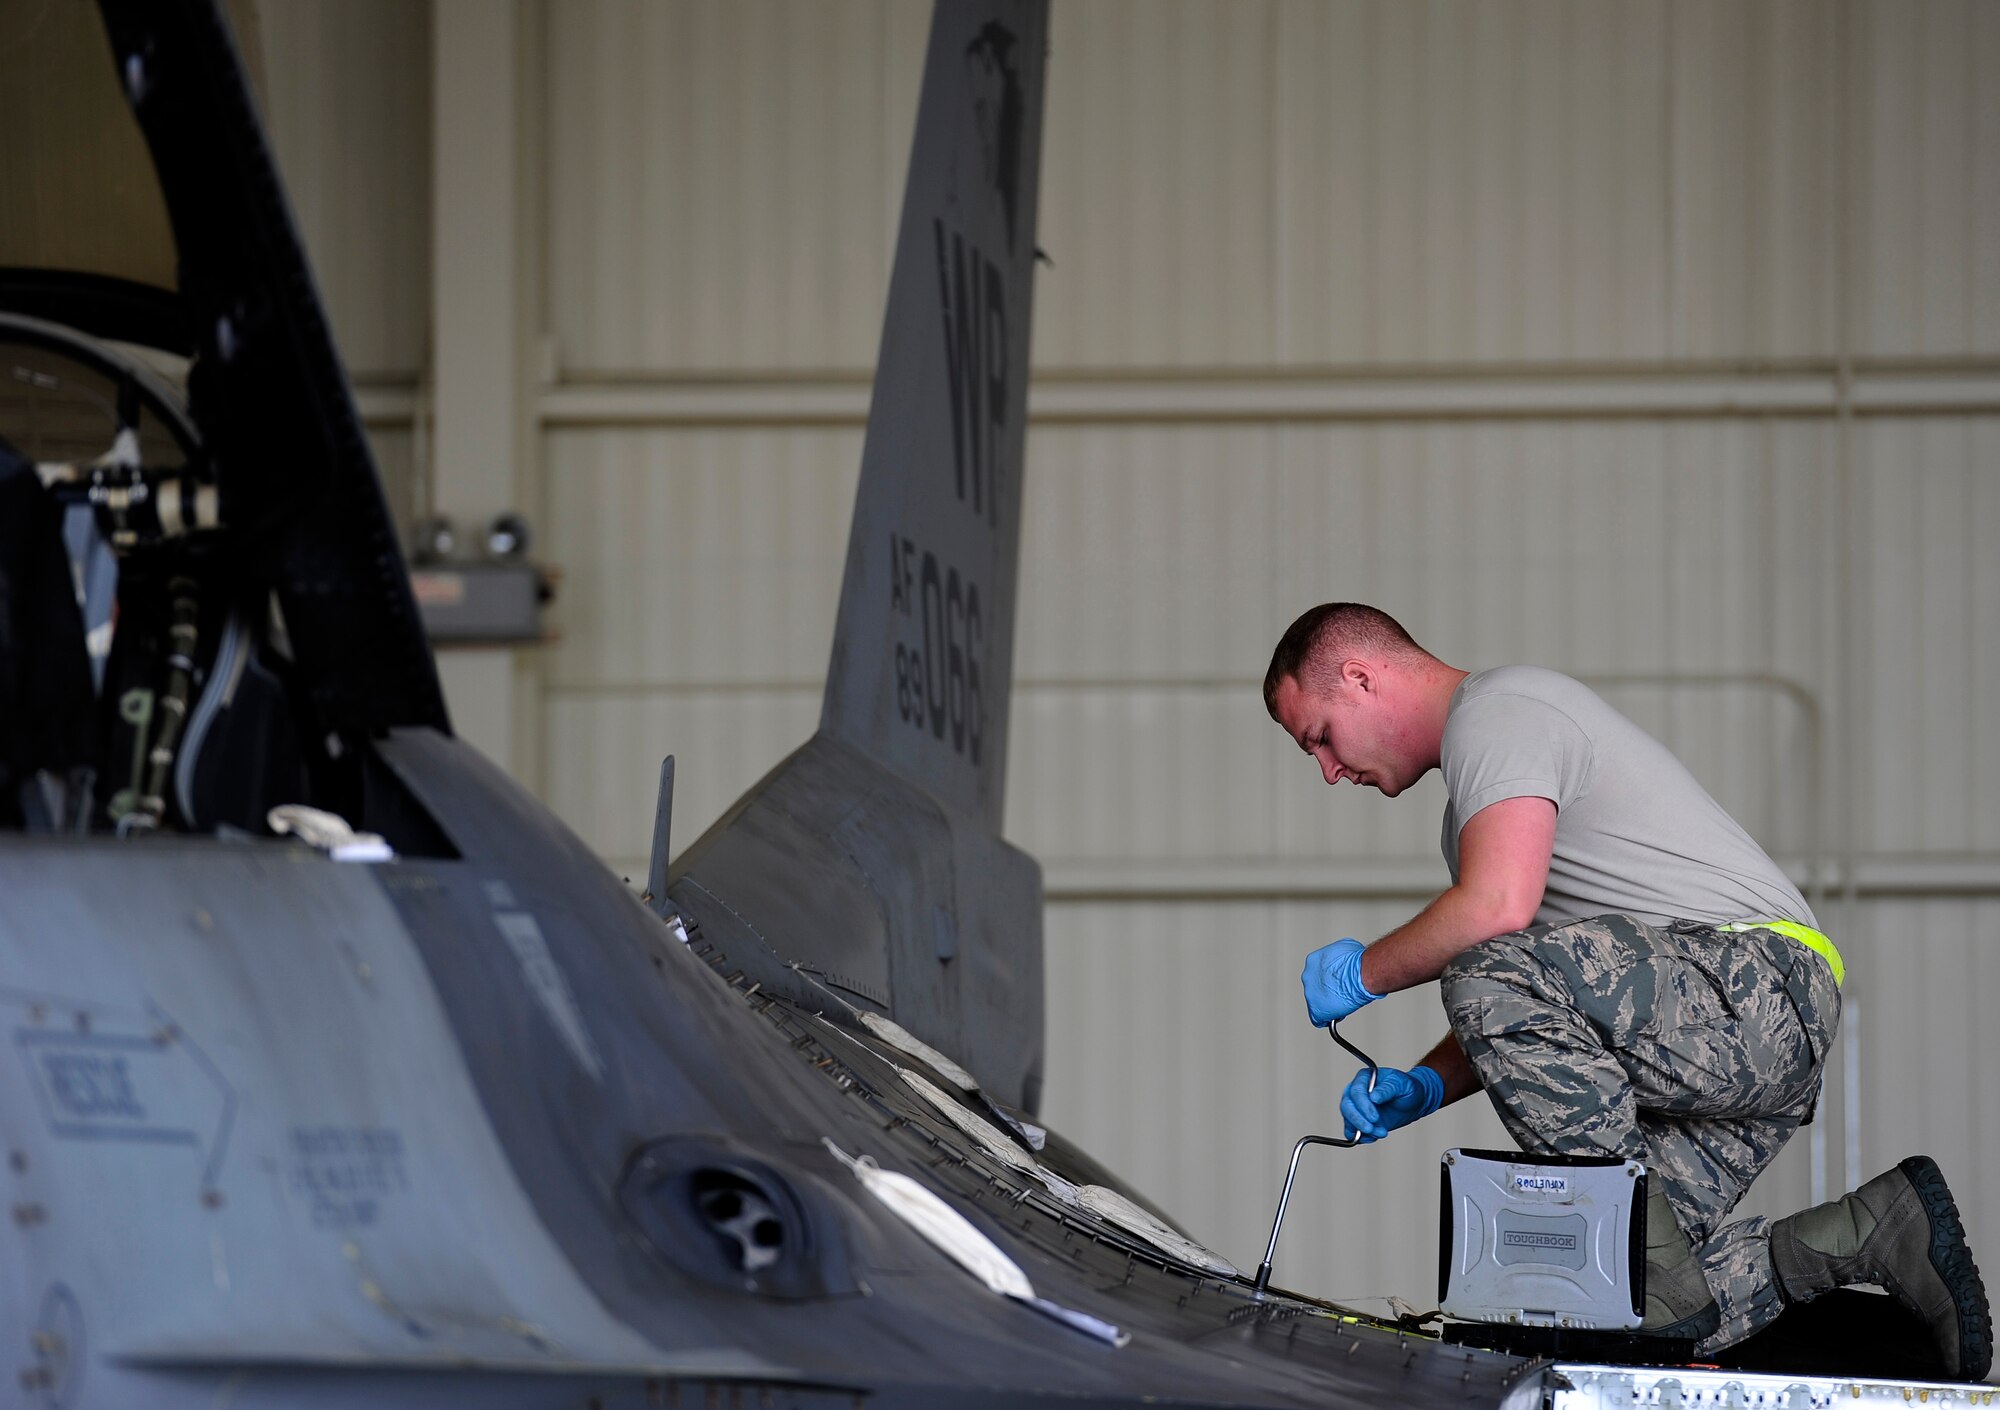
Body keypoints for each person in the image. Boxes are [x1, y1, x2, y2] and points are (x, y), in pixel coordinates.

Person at [1264, 601, 1990, 1377]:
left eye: (1320, 738)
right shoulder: (1478, 810)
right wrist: (1425, 1085)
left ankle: (1653, 1289)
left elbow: (1494, 921)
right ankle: (1870, 1228)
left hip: (1755, 990)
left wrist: (1363, 973)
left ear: (1360, 676)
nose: (1329, 771)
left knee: (1485, 974)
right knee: (1598, 1292)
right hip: (1708, 1035)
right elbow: (1537, 1000)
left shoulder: (1501, 713)